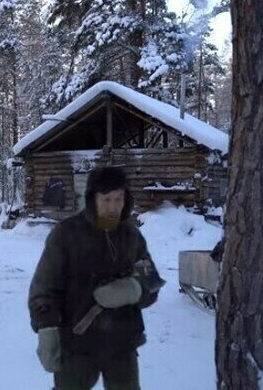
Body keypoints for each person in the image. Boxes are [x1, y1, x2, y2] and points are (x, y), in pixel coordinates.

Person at [28, 167, 163, 390]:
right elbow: (44, 287)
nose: (113, 207)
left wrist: (133, 289)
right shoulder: (66, 234)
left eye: (119, 199)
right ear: (92, 198)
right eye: (107, 199)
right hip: (77, 343)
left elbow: (152, 282)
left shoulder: (131, 236)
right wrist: (47, 329)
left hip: (122, 344)